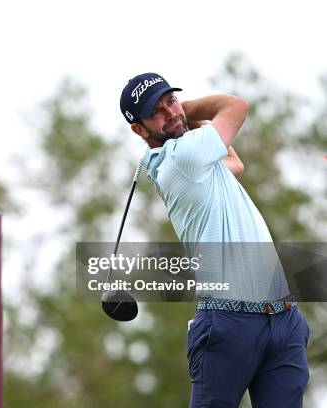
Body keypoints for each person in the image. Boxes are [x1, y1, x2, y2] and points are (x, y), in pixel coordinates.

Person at [119, 73, 310, 407]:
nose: (170, 112)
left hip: (282, 317)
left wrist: (179, 115)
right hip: (229, 322)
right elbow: (235, 106)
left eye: (171, 100)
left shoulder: (195, 160)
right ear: (139, 129)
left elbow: (234, 163)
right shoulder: (181, 158)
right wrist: (187, 111)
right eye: (157, 112)